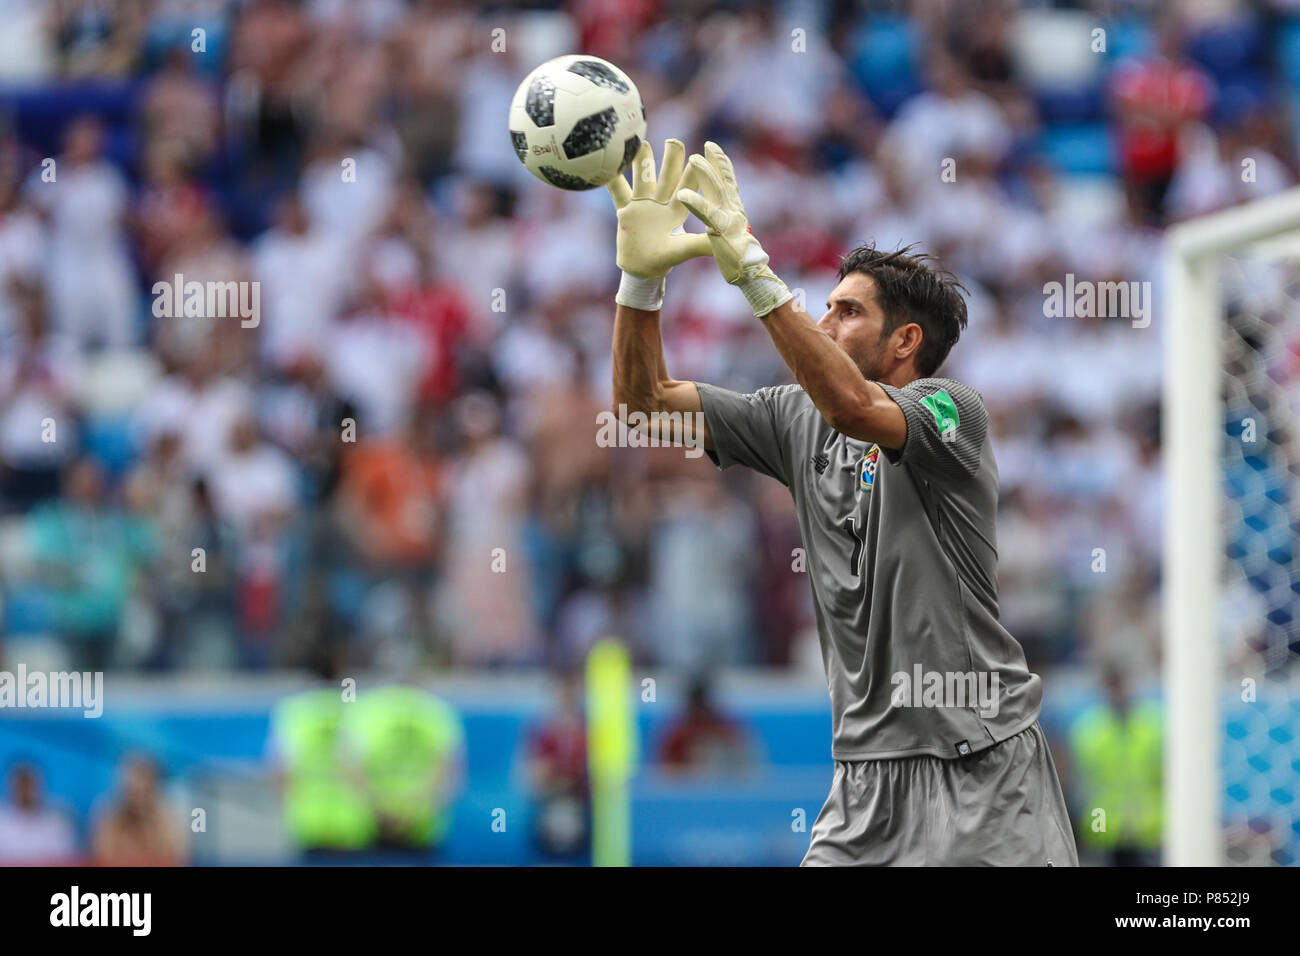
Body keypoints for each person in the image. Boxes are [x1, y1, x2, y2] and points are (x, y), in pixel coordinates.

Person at [605, 139, 1077, 866]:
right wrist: (639, 283)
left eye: (848, 312)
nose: (824, 322)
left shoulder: (952, 411)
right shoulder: (792, 418)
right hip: (864, 784)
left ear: (905, 341)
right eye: (825, 306)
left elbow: (855, 406)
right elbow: (642, 403)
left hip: (983, 768)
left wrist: (756, 275)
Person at [1068, 665, 1162, 866]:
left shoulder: (1154, 725)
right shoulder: (1089, 730)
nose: (1120, 693)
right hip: (1105, 829)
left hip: (1149, 828)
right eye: (1115, 687)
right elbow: (1081, 782)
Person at [91, 754, 187, 866]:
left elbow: (175, 855)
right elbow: (102, 854)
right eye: (133, 778)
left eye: (144, 778)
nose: (139, 786)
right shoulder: (109, 811)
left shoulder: (167, 815)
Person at [0, 761, 78, 864]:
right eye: (20, 783)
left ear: (40, 783)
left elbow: (67, 860)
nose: (24, 789)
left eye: (28, 783)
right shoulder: (2, 820)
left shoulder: (58, 821)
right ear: (10, 784)